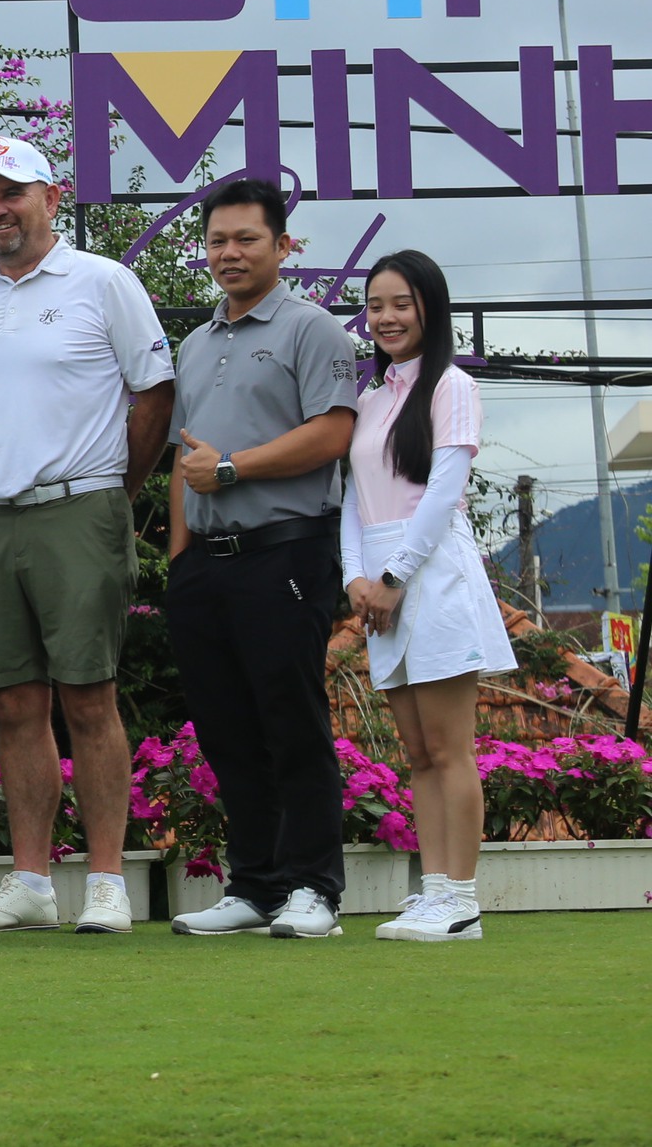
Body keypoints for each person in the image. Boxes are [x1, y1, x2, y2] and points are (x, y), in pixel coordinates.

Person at [0, 136, 175, 935]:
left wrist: (117, 488)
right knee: (13, 703)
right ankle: (32, 880)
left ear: (52, 195)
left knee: (89, 694)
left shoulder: (102, 281)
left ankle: (107, 879)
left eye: (12, 192)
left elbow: (154, 392)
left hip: (80, 506)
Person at [161, 181, 361, 940]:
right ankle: (255, 884)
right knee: (227, 728)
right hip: (207, 565)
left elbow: (333, 433)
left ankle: (316, 886)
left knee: (291, 720)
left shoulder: (314, 330)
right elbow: (186, 463)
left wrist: (235, 468)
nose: (230, 253)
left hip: (285, 550)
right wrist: (181, 564)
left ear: (283, 247)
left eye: (247, 239)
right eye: (218, 240)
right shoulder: (196, 342)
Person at [342, 250, 510, 942]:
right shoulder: (370, 399)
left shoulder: (452, 386)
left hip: (433, 577)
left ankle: (462, 899)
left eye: (401, 303)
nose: (386, 317)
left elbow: (442, 493)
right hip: (381, 583)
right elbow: (353, 499)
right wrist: (356, 577)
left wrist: (395, 577)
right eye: (376, 305)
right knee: (415, 750)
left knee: (448, 747)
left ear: (429, 309)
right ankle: (434, 888)